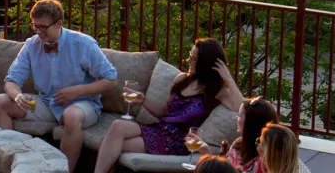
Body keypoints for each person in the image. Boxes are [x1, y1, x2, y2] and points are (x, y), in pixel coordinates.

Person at [0, 0, 118, 173]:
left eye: (43, 27)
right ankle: (8, 167)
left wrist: (77, 91)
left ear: (58, 24)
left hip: (82, 104)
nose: (39, 32)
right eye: (35, 26)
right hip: (47, 102)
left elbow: (111, 80)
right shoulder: (31, 45)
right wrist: (17, 96)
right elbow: (11, 80)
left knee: (71, 116)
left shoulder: (83, 44)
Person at [93, 38, 245, 173]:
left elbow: (241, 107)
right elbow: (163, 112)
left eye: (193, 58)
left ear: (205, 63)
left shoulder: (216, 91)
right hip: (159, 128)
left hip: (177, 142)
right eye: (190, 56)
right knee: (117, 126)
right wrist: (143, 100)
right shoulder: (182, 80)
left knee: (108, 142)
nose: (189, 61)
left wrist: (228, 79)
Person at [191, 98, 278, 173]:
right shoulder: (238, 143)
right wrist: (206, 151)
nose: (235, 118)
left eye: (239, 115)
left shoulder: (264, 158)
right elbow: (222, 170)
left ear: (251, 122)